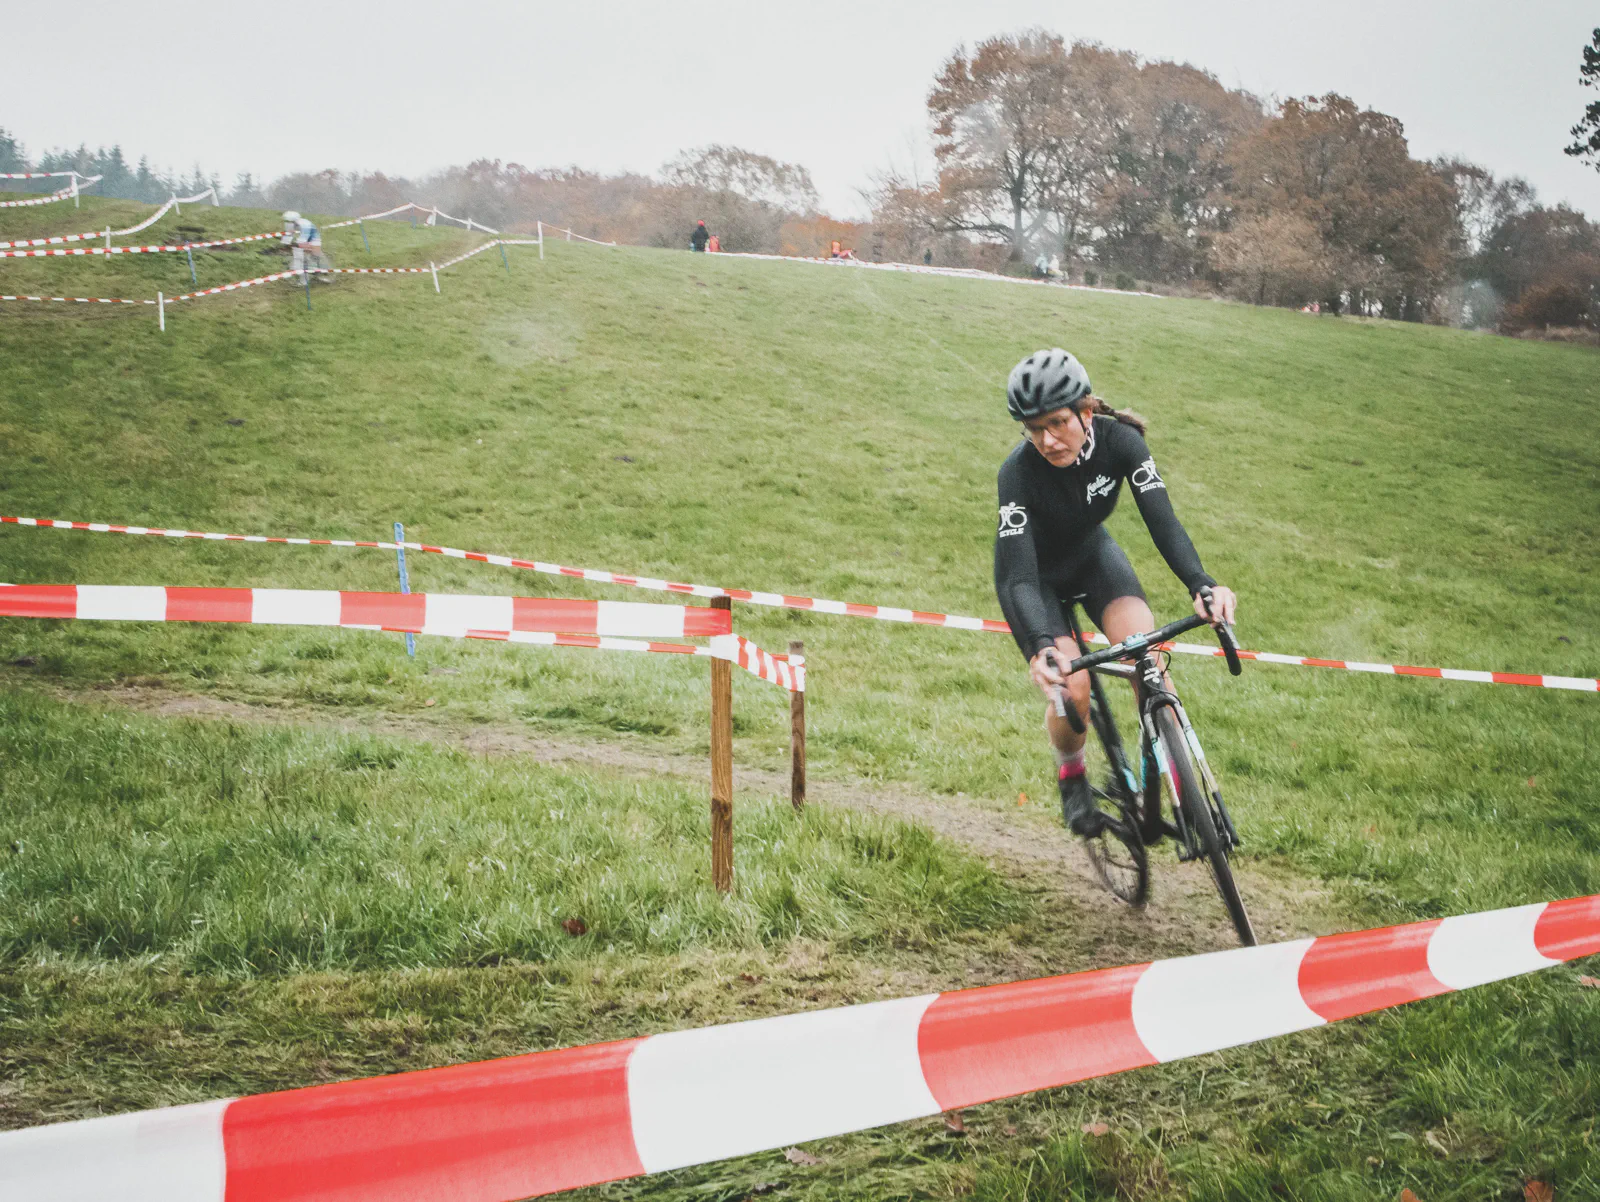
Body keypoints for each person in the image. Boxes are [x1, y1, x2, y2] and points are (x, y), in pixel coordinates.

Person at [992, 348, 1238, 837]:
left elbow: (1163, 522)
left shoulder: (1122, 443)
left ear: (1086, 412)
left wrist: (1202, 583)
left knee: (1147, 658)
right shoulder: (1016, 473)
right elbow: (1018, 575)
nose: (1047, 440)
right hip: (1035, 580)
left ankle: (1177, 784)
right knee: (1074, 688)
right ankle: (1072, 775)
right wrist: (1041, 646)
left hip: (1092, 559)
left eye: (1058, 423)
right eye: (1034, 428)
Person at [280, 211, 329, 279]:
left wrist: (295, 245)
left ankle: (321, 268)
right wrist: (285, 243)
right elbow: (287, 235)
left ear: (294, 220)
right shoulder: (291, 223)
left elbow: (302, 241)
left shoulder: (305, 225)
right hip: (303, 236)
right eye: (286, 221)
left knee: (304, 251)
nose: (287, 223)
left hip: (313, 237)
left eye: (289, 221)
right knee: (297, 250)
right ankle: (302, 266)